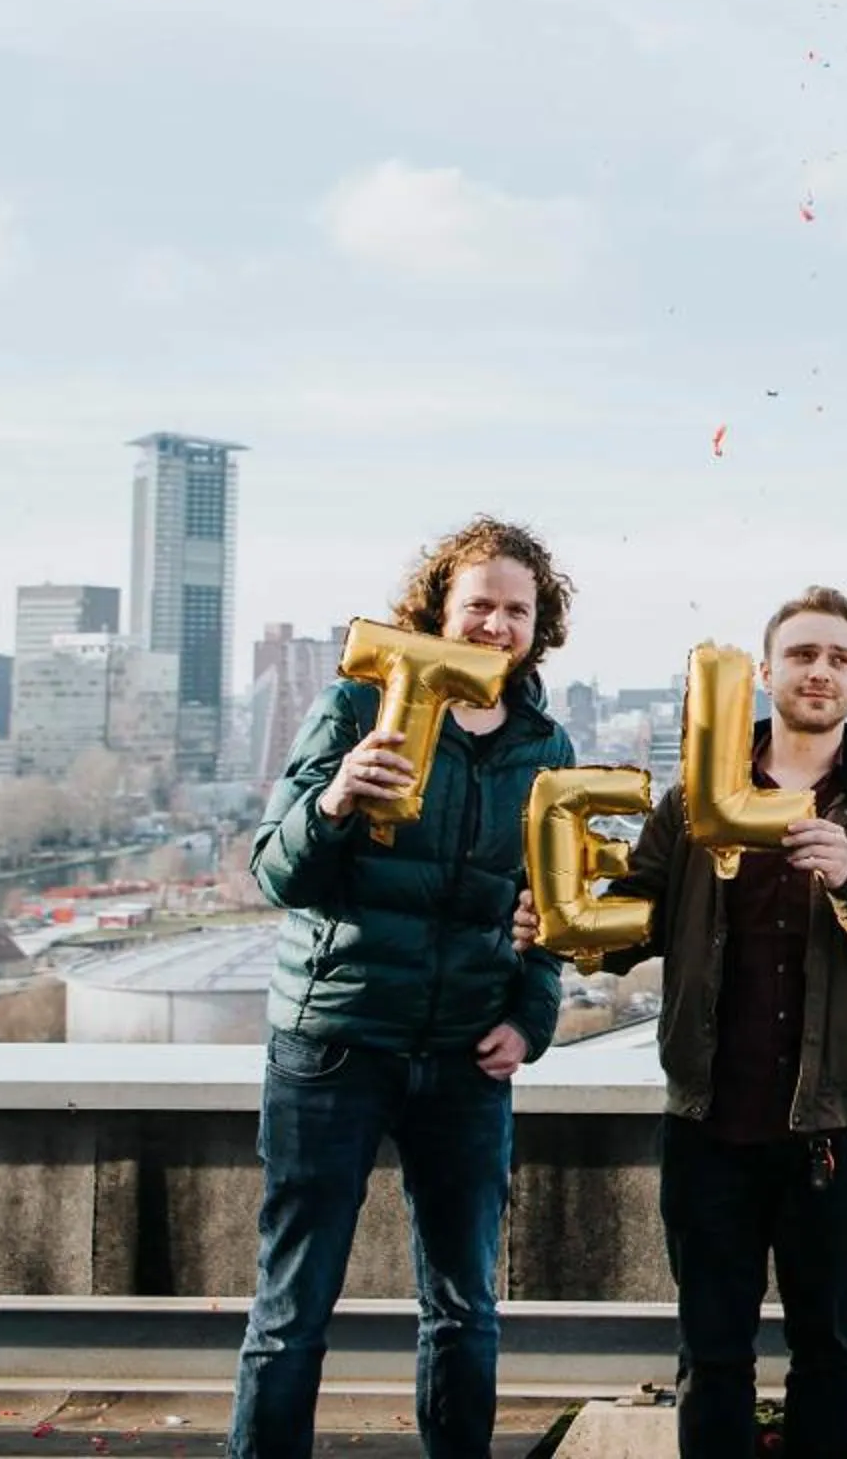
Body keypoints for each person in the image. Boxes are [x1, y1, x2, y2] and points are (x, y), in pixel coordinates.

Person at [536, 587, 847, 1459]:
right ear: (766, 673)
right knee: (712, 1355)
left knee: (830, 1348)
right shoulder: (702, 790)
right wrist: (562, 922)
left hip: (833, 1131)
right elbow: (640, 913)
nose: (820, 671)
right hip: (709, 1123)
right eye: (803, 654)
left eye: (839, 658)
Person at [232, 517, 575, 1459]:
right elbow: (275, 872)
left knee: (466, 1306)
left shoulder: (547, 746)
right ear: (438, 612)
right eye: (479, 605)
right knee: (294, 1303)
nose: (497, 625)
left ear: (538, 627)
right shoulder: (359, 704)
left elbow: (549, 907)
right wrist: (336, 798)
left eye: (517, 609)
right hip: (336, 1041)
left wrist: (530, 1016)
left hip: (467, 1052)